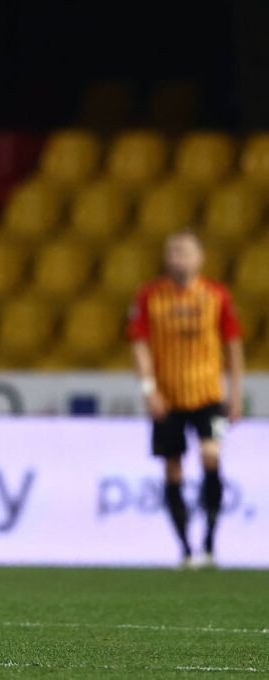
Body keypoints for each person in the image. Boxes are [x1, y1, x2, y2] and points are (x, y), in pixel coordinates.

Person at [128, 231, 244, 569]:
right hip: (168, 397)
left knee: (211, 455)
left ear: (200, 257)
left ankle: (209, 539)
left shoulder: (216, 295)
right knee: (173, 469)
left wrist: (235, 394)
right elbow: (139, 345)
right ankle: (186, 548)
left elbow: (233, 345)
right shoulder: (150, 296)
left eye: (185, 250)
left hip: (208, 395)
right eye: (172, 251)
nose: (178, 256)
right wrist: (149, 390)